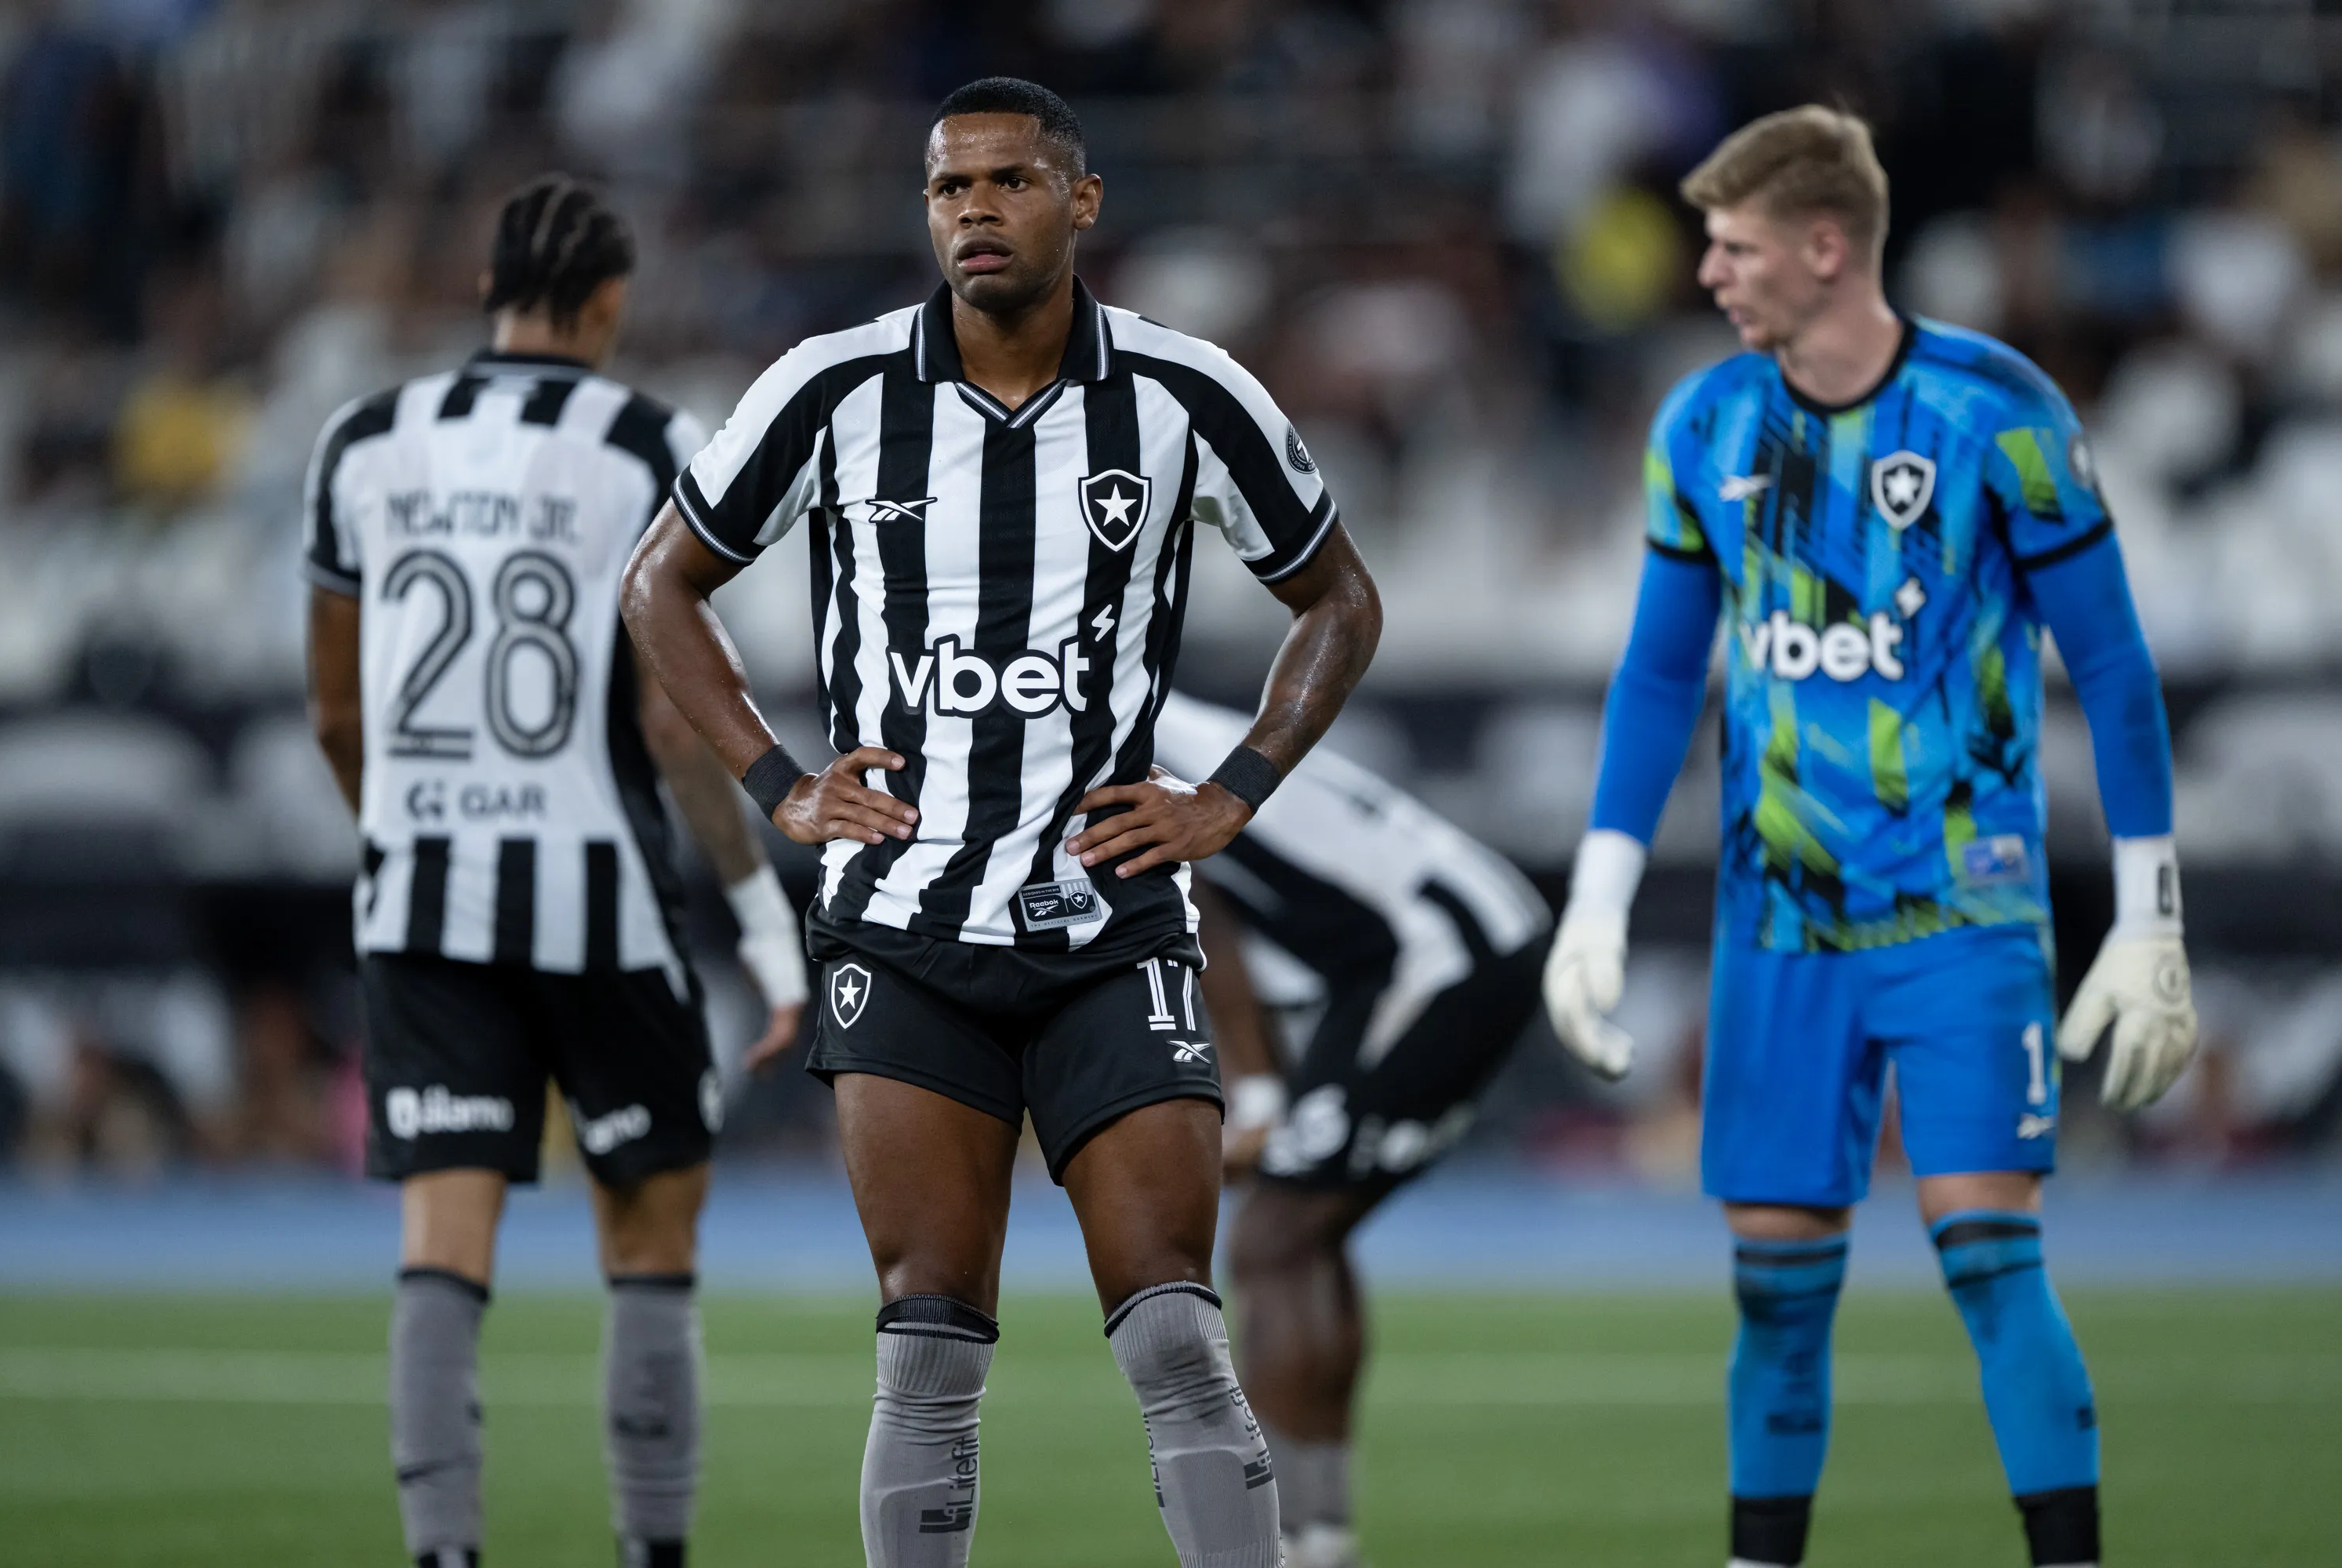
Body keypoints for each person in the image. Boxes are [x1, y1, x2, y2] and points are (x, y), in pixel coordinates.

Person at [619, 77, 1381, 1568]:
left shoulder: (1184, 393)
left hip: (1109, 926)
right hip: (904, 933)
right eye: (948, 187)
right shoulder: (830, 389)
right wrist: (779, 782)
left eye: (1010, 182)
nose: (975, 208)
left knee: (1170, 1327)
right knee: (927, 1352)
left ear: (1080, 201)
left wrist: (1237, 793)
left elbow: (1339, 598)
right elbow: (660, 584)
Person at [1541, 107, 2197, 1568]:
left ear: (1824, 247)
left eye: (1732, 245)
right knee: (1775, 1286)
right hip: (1778, 920)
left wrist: (2153, 917)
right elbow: (1661, 677)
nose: (1706, 271)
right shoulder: (1703, 426)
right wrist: (1598, 898)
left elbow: (2116, 668)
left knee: (1988, 1254)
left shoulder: (1994, 412)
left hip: (1964, 906)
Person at [303, 175, 811, 1568]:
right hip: (598, 898)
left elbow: (337, 715)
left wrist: (402, 834)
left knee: (440, 1239)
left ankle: (444, 1555)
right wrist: (768, 930)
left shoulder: (363, 439)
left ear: (488, 294)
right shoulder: (651, 441)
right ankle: (652, 1554)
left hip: (420, 896)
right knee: (650, 1234)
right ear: (608, 305)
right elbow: (670, 715)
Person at [1151, 692, 1552, 1568]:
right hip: (1411, 950)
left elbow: (1193, 905)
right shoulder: (1144, 709)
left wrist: (1257, 1094)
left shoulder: (1096, 734)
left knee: (1276, 1237)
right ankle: (1317, 1533)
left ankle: (1290, 1537)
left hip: (1435, 951)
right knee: (1302, 1236)